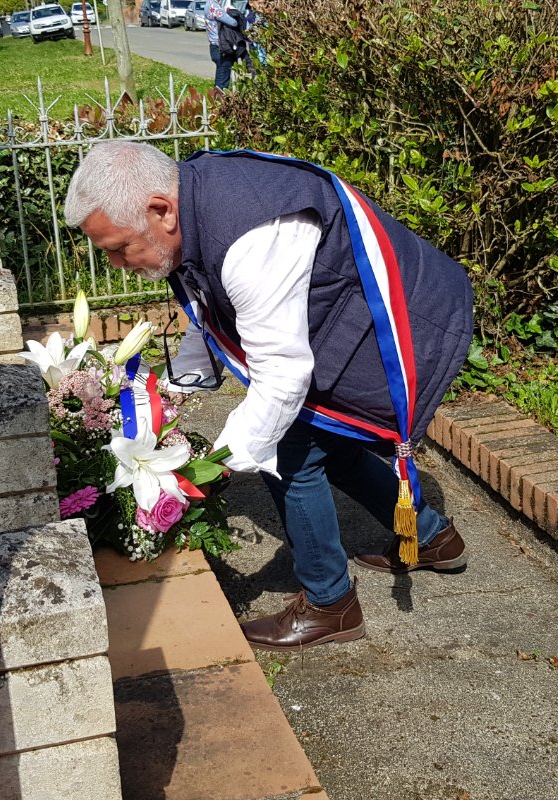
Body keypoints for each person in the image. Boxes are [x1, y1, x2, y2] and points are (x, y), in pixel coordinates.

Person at [64, 142, 474, 651]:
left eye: (118, 247)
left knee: (288, 451)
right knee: (329, 444)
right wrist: (169, 395)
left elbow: (282, 376)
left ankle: (331, 605)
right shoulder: (192, 201)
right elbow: (208, 304)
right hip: (342, 316)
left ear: (160, 210)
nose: (115, 263)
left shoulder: (250, 236)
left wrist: (211, 467)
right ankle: (431, 537)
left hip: (408, 320)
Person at [205, 0, 242, 90]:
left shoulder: (209, 4)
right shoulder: (214, 7)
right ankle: (219, 97)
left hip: (215, 45)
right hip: (221, 47)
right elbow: (233, 22)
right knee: (222, 81)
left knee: (222, 76)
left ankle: (219, 96)